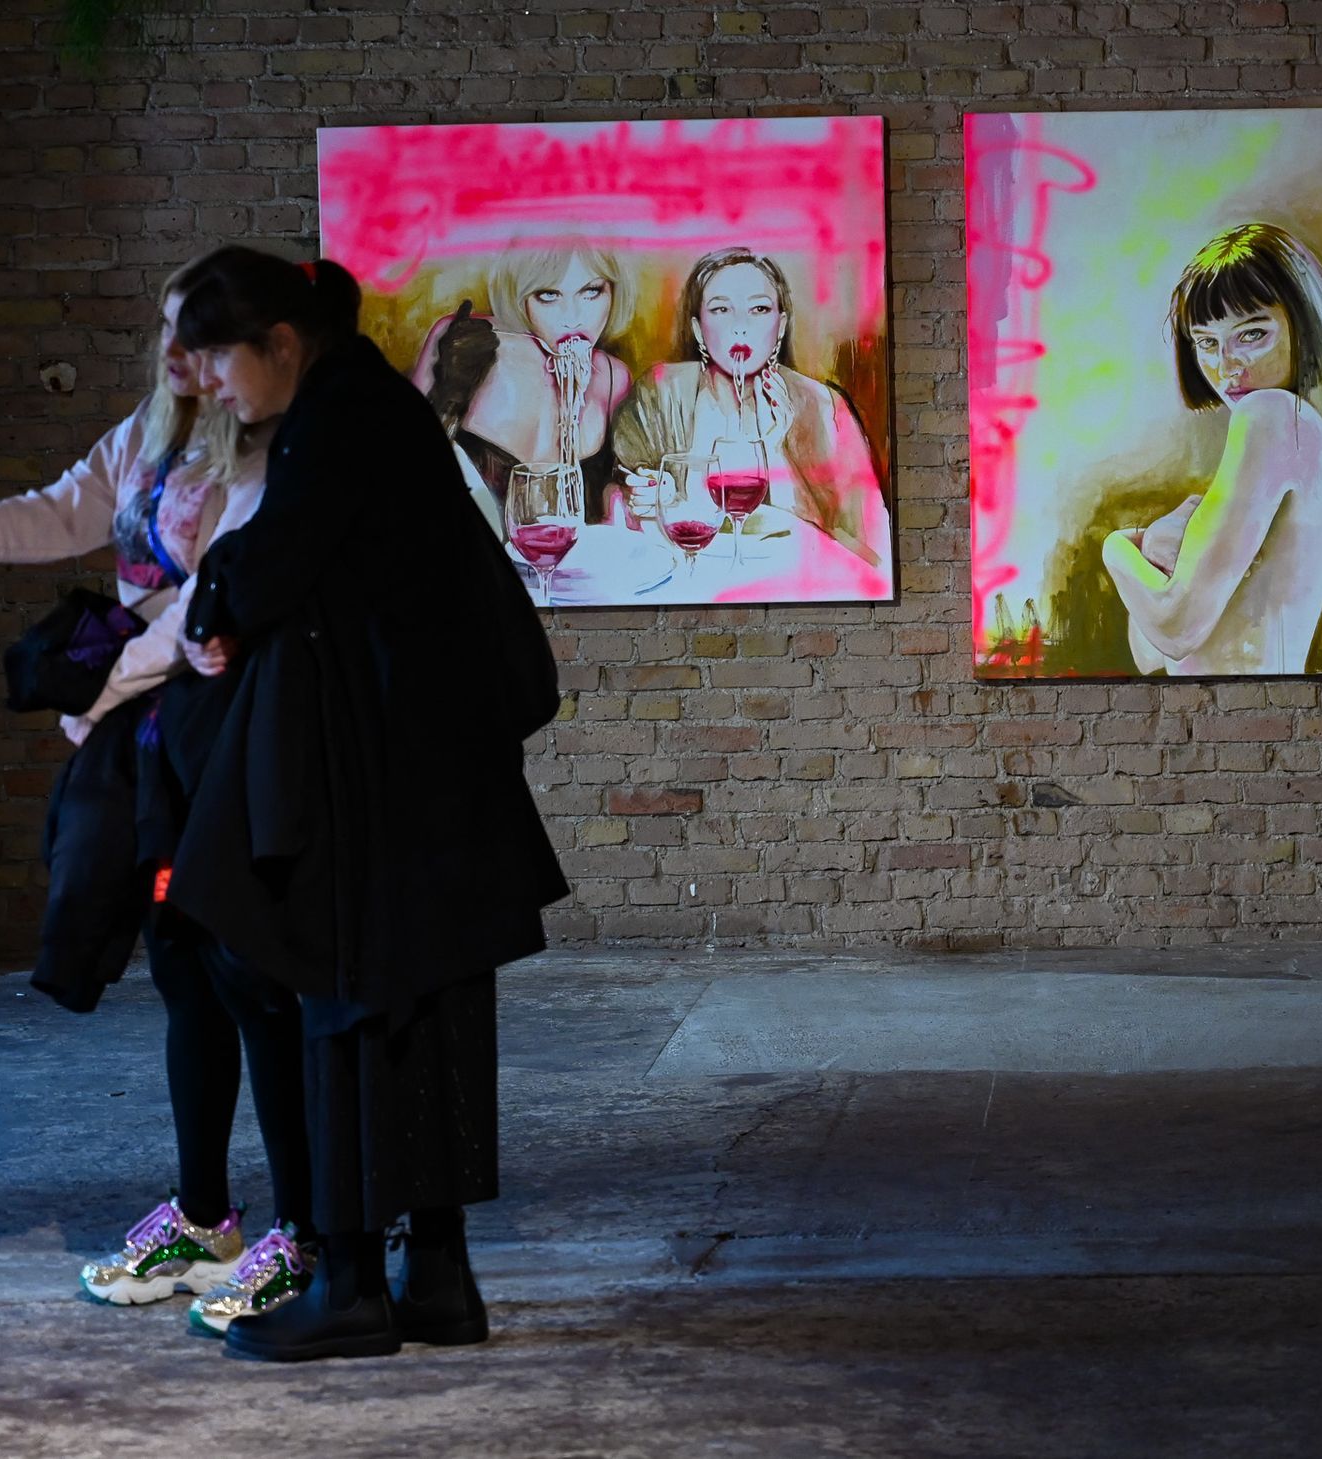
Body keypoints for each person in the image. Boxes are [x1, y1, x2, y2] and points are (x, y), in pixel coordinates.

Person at [160, 246, 567, 1362]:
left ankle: (348, 1286)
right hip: (432, 782)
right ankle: (434, 1278)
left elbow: (269, 564)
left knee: (345, 1016)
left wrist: (212, 601)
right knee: (423, 1028)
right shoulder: (371, 405)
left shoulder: (337, 415)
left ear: (281, 342)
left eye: (219, 360)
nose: (212, 385)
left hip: (377, 791)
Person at [0, 257, 318, 1328]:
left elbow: (201, 616)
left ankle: (307, 1230)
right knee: (182, 970)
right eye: (167, 331)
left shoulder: (263, 451)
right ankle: (207, 1218)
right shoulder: (149, 434)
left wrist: (99, 700)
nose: (177, 354)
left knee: (252, 977)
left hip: (220, 733)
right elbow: (63, 509)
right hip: (151, 742)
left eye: (197, 336)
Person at [1101, 222, 1322, 676]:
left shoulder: (1272, 416)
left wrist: (1117, 549)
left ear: (1301, 324)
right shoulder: (1297, 434)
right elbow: (1151, 654)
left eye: (1252, 334)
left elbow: (1176, 630)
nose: (1226, 365)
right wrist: (1157, 545)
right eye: (1207, 343)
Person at [612, 246, 890, 567]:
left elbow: (874, 550)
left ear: (780, 326)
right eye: (721, 309)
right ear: (699, 330)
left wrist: (776, 449)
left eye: (759, 309)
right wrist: (647, 497)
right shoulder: (661, 392)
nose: (740, 326)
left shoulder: (823, 407)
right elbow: (618, 505)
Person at [410, 239, 634, 527]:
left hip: (565, 554)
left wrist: (625, 497)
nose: (573, 318)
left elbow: (611, 497)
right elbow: (404, 458)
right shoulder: (463, 343)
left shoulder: (614, 378)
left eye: (591, 291)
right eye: (548, 295)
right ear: (519, 294)